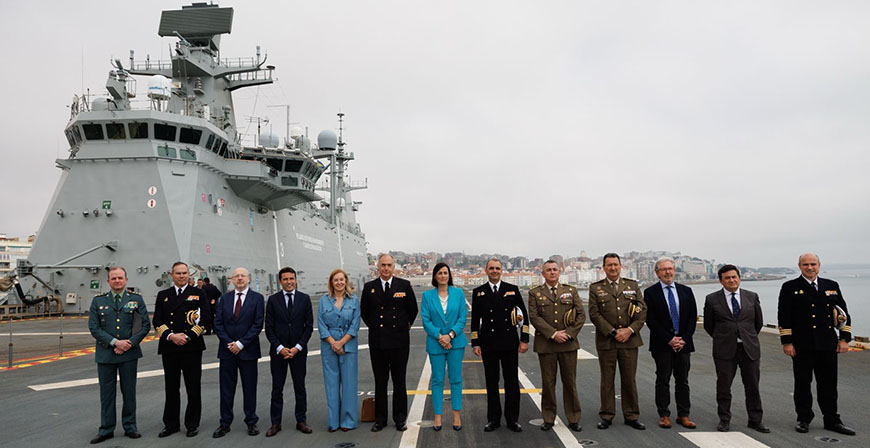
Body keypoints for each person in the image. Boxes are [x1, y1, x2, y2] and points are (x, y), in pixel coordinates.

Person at [778, 253, 854, 436]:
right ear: (799, 266)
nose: (809, 268)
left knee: (829, 385)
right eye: (805, 264)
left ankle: (832, 420)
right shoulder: (790, 287)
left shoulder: (831, 286)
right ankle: (803, 418)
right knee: (803, 384)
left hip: (827, 344)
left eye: (813, 264)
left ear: (819, 265)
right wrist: (787, 342)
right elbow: (784, 316)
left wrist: (844, 339)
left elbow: (843, 314)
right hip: (802, 345)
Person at [87, 267, 150, 444]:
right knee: (106, 394)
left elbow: (144, 325)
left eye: (120, 278)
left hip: (129, 353)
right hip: (106, 353)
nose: (117, 281)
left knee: (129, 392)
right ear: (108, 281)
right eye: (113, 278)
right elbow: (94, 327)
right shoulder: (98, 301)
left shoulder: (136, 300)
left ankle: (130, 426)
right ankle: (106, 429)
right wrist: (115, 343)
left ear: (126, 280)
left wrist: (128, 344)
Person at [703, 264, 768, 433]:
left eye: (734, 277)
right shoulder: (712, 299)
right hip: (724, 349)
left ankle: (755, 420)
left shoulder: (752, 297)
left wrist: (747, 337)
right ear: (721, 281)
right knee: (724, 386)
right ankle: (724, 419)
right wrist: (724, 338)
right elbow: (709, 326)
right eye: (727, 278)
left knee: (752, 386)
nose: (732, 280)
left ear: (739, 278)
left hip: (749, 348)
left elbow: (758, 323)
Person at [587, 253, 647, 431]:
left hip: (629, 340)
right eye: (609, 265)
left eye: (615, 264)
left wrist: (629, 330)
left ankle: (631, 415)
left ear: (621, 266)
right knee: (607, 379)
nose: (613, 268)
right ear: (604, 268)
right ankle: (607, 415)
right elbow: (594, 314)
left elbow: (642, 311)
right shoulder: (595, 288)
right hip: (607, 341)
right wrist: (613, 332)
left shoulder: (632, 286)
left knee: (629, 379)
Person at [360, 254, 418, 431]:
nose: (386, 268)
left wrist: (402, 327)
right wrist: (376, 327)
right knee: (380, 381)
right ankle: (380, 419)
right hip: (378, 341)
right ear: (378, 267)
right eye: (383, 265)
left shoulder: (404, 285)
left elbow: (413, 310)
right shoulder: (369, 287)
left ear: (394, 267)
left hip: (399, 341)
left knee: (399, 381)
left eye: (389, 265)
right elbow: (365, 312)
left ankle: (400, 418)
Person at [152, 262, 210, 438]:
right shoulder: (163, 295)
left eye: (184, 273)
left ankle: (192, 424)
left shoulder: (199, 293)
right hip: (170, 347)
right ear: (172, 275)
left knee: (193, 387)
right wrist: (171, 336)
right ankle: (171, 424)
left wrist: (188, 336)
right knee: (171, 387)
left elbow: (206, 318)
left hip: (191, 347)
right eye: (178, 273)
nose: (182, 276)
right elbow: (157, 321)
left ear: (189, 275)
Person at [471, 258, 529, 432]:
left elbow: (523, 316)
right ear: (486, 271)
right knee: (491, 382)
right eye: (491, 268)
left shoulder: (512, 289)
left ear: (501, 270)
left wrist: (524, 339)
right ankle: (493, 419)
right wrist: (475, 343)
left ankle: (512, 419)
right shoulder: (478, 292)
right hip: (488, 343)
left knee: (512, 383)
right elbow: (475, 320)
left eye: (497, 268)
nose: (494, 271)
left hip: (509, 343)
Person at [527, 260, 586, 432]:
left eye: (555, 269)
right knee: (548, 383)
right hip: (547, 345)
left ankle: (573, 418)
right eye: (548, 270)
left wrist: (568, 333)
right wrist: (553, 334)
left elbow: (581, 315)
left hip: (568, 344)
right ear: (543, 274)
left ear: (559, 272)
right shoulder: (535, 293)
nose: (552, 272)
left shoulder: (571, 291)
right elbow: (534, 317)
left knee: (570, 383)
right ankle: (548, 418)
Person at [643, 257, 698, 430]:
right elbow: (650, 320)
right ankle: (664, 415)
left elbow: (692, 317)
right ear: (657, 273)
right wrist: (669, 339)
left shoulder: (686, 291)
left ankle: (684, 414)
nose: (667, 272)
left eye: (670, 269)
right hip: (662, 344)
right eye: (663, 269)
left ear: (675, 271)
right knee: (663, 380)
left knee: (683, 381)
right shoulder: (650, 293)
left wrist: (684, 339)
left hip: (684, 344)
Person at [213, 267, 265, 438]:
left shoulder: (257, 298)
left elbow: (258, 324)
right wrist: (229, 343)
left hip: (248, 350)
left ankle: (251, 421)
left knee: (249, 388)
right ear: (232, 279)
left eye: (243, 276)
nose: (240, 278)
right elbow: (218, 323)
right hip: (227, 351)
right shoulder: (224, 299)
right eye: (237, 276)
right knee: (226, 390)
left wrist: (241, 344)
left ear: (248, 278)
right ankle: (225, 423)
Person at [264, 267, 314, 437]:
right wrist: (280, 348)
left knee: (300, 387)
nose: (289, 282)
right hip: (279, 352)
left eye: (291, 278)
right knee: (277, 389)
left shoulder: (304, 299)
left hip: (298, 352)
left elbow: (309, 326)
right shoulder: (272, 300)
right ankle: (275, 423)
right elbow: (268, 327)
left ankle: (301, 420)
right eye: (285, 279)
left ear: (296, 279)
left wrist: (297, 347)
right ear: (280, 281)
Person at [421, 263, 467, 431]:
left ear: (449, 275)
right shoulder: (427, 296)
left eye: (445, 273)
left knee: (455, 379)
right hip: (436, 343)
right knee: (437, 380)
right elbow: (425, 320)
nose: (442, 276)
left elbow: (462, 317)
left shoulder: (458, 293)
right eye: (439, 273)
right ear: (435, 276)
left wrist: (450, 335)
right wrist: (440, 336)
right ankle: (438, 416)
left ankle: (456, 415)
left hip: (456, 343)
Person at [318, 268, 362, 432]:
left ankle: (348, 421)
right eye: (336, 280)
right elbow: (321, 324)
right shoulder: (323, 301)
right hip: (329, 345)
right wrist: (333, 343)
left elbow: (355, 324)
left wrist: (342, 342)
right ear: (331, 282)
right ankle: (334, 421)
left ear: (346, 282)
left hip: (348, 345)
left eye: (341, 280)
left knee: (349, 384)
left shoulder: (354, 300)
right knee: (331, 384)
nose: (339, 283)